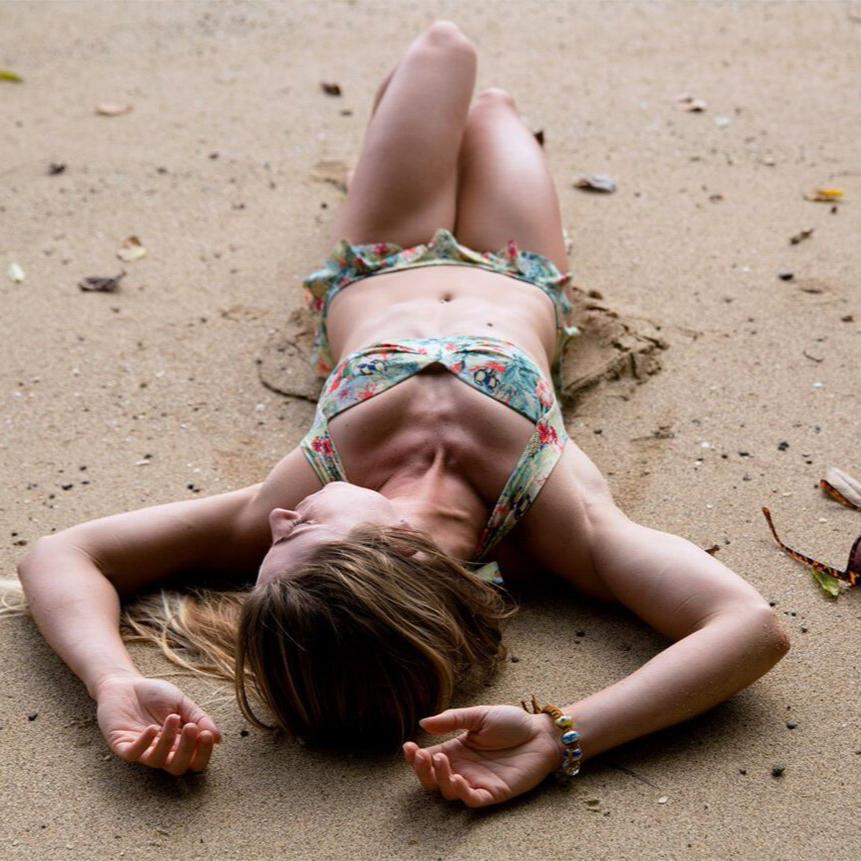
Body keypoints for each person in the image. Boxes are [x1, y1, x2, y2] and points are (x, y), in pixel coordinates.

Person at [12, 20, 789, 808]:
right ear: (401, 554)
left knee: (441, 49)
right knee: (488, 104)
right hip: (520, 270)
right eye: (299, 535)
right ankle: (461, 136)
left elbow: (58, 553)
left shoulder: (302, 489)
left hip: (382, 253)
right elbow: (748, 627)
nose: (276, 521)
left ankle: (404, 151)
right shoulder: (551, 519)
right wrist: (562, 733)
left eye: (271, 546)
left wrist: (111, 680)